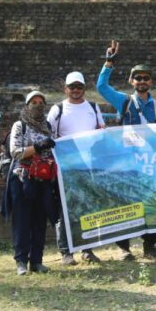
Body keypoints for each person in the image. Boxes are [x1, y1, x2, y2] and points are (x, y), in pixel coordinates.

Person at [97, 40, 156, 260]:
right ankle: (124, 247)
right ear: (131, 81)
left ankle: (150, 245)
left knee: (150, 202)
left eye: (146, 78)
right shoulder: (124, 102)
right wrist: (109, 62)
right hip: (126, 161)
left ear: (151, 81)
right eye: (138, 78)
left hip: (149, 162)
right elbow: (101, 88)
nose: (142, 81)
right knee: (125, 203)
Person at [48, 71, 105, 265]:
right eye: (72, 87)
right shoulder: (58, 109)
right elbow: (49, 136)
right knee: (65, 210)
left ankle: (87, 249)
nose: (75, 90)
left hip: (88, 166)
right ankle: (66, 252)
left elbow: (101, 132)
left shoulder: (93, 107)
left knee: (87, 208)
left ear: (84, 89)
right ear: (66, 89)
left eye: (79, 87)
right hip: (66, 167)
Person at [4, 91, 60, 276]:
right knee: (22, 220)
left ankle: (37, 261)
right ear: (27, 105)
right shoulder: (20, 125)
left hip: (43, 179)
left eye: (41, 102)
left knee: (39, 221)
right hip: (22, 178)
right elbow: (15, 151)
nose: (38, 105)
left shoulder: (48, 126)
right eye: (34, 102)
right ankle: (21, 261)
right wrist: (37, 147)